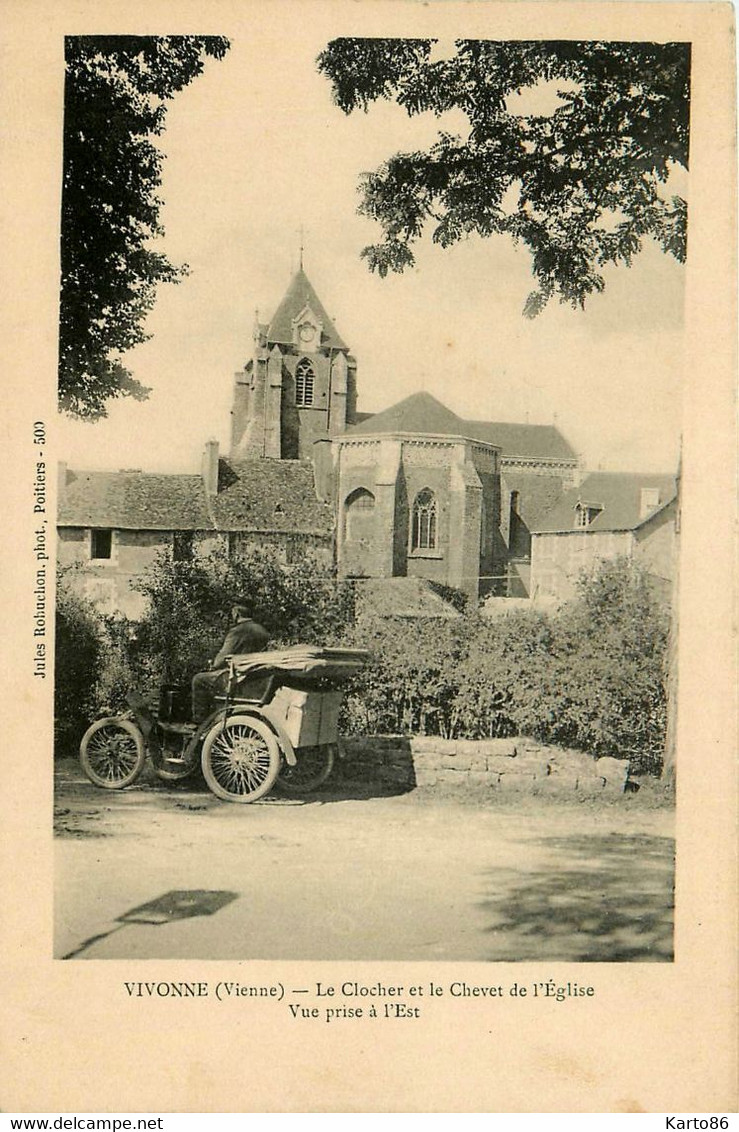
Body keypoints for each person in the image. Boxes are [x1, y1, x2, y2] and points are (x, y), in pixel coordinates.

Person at [191, 605, 270, 723]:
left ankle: (199, 722)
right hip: (257, 679)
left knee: (199, 679)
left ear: (237, 614)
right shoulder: (263, 631)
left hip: (238, 677)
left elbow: (221, 658)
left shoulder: (238, 631)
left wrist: (214, 665)